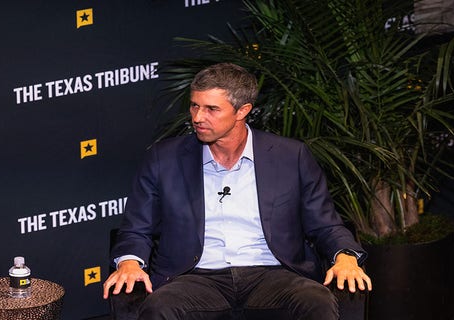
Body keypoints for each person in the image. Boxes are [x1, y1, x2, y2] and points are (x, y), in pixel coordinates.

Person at [102, 62, 372, 319]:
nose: (197, 117)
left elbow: (325, 225)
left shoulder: (291, 156)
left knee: (316, 301)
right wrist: (129, 262)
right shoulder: (164, 159)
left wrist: (346, 255)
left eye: (211, 109)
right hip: (194, 277)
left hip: (273, 274)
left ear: (242, 111)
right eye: (194, 106)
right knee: (159, 307)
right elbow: (136, 228)